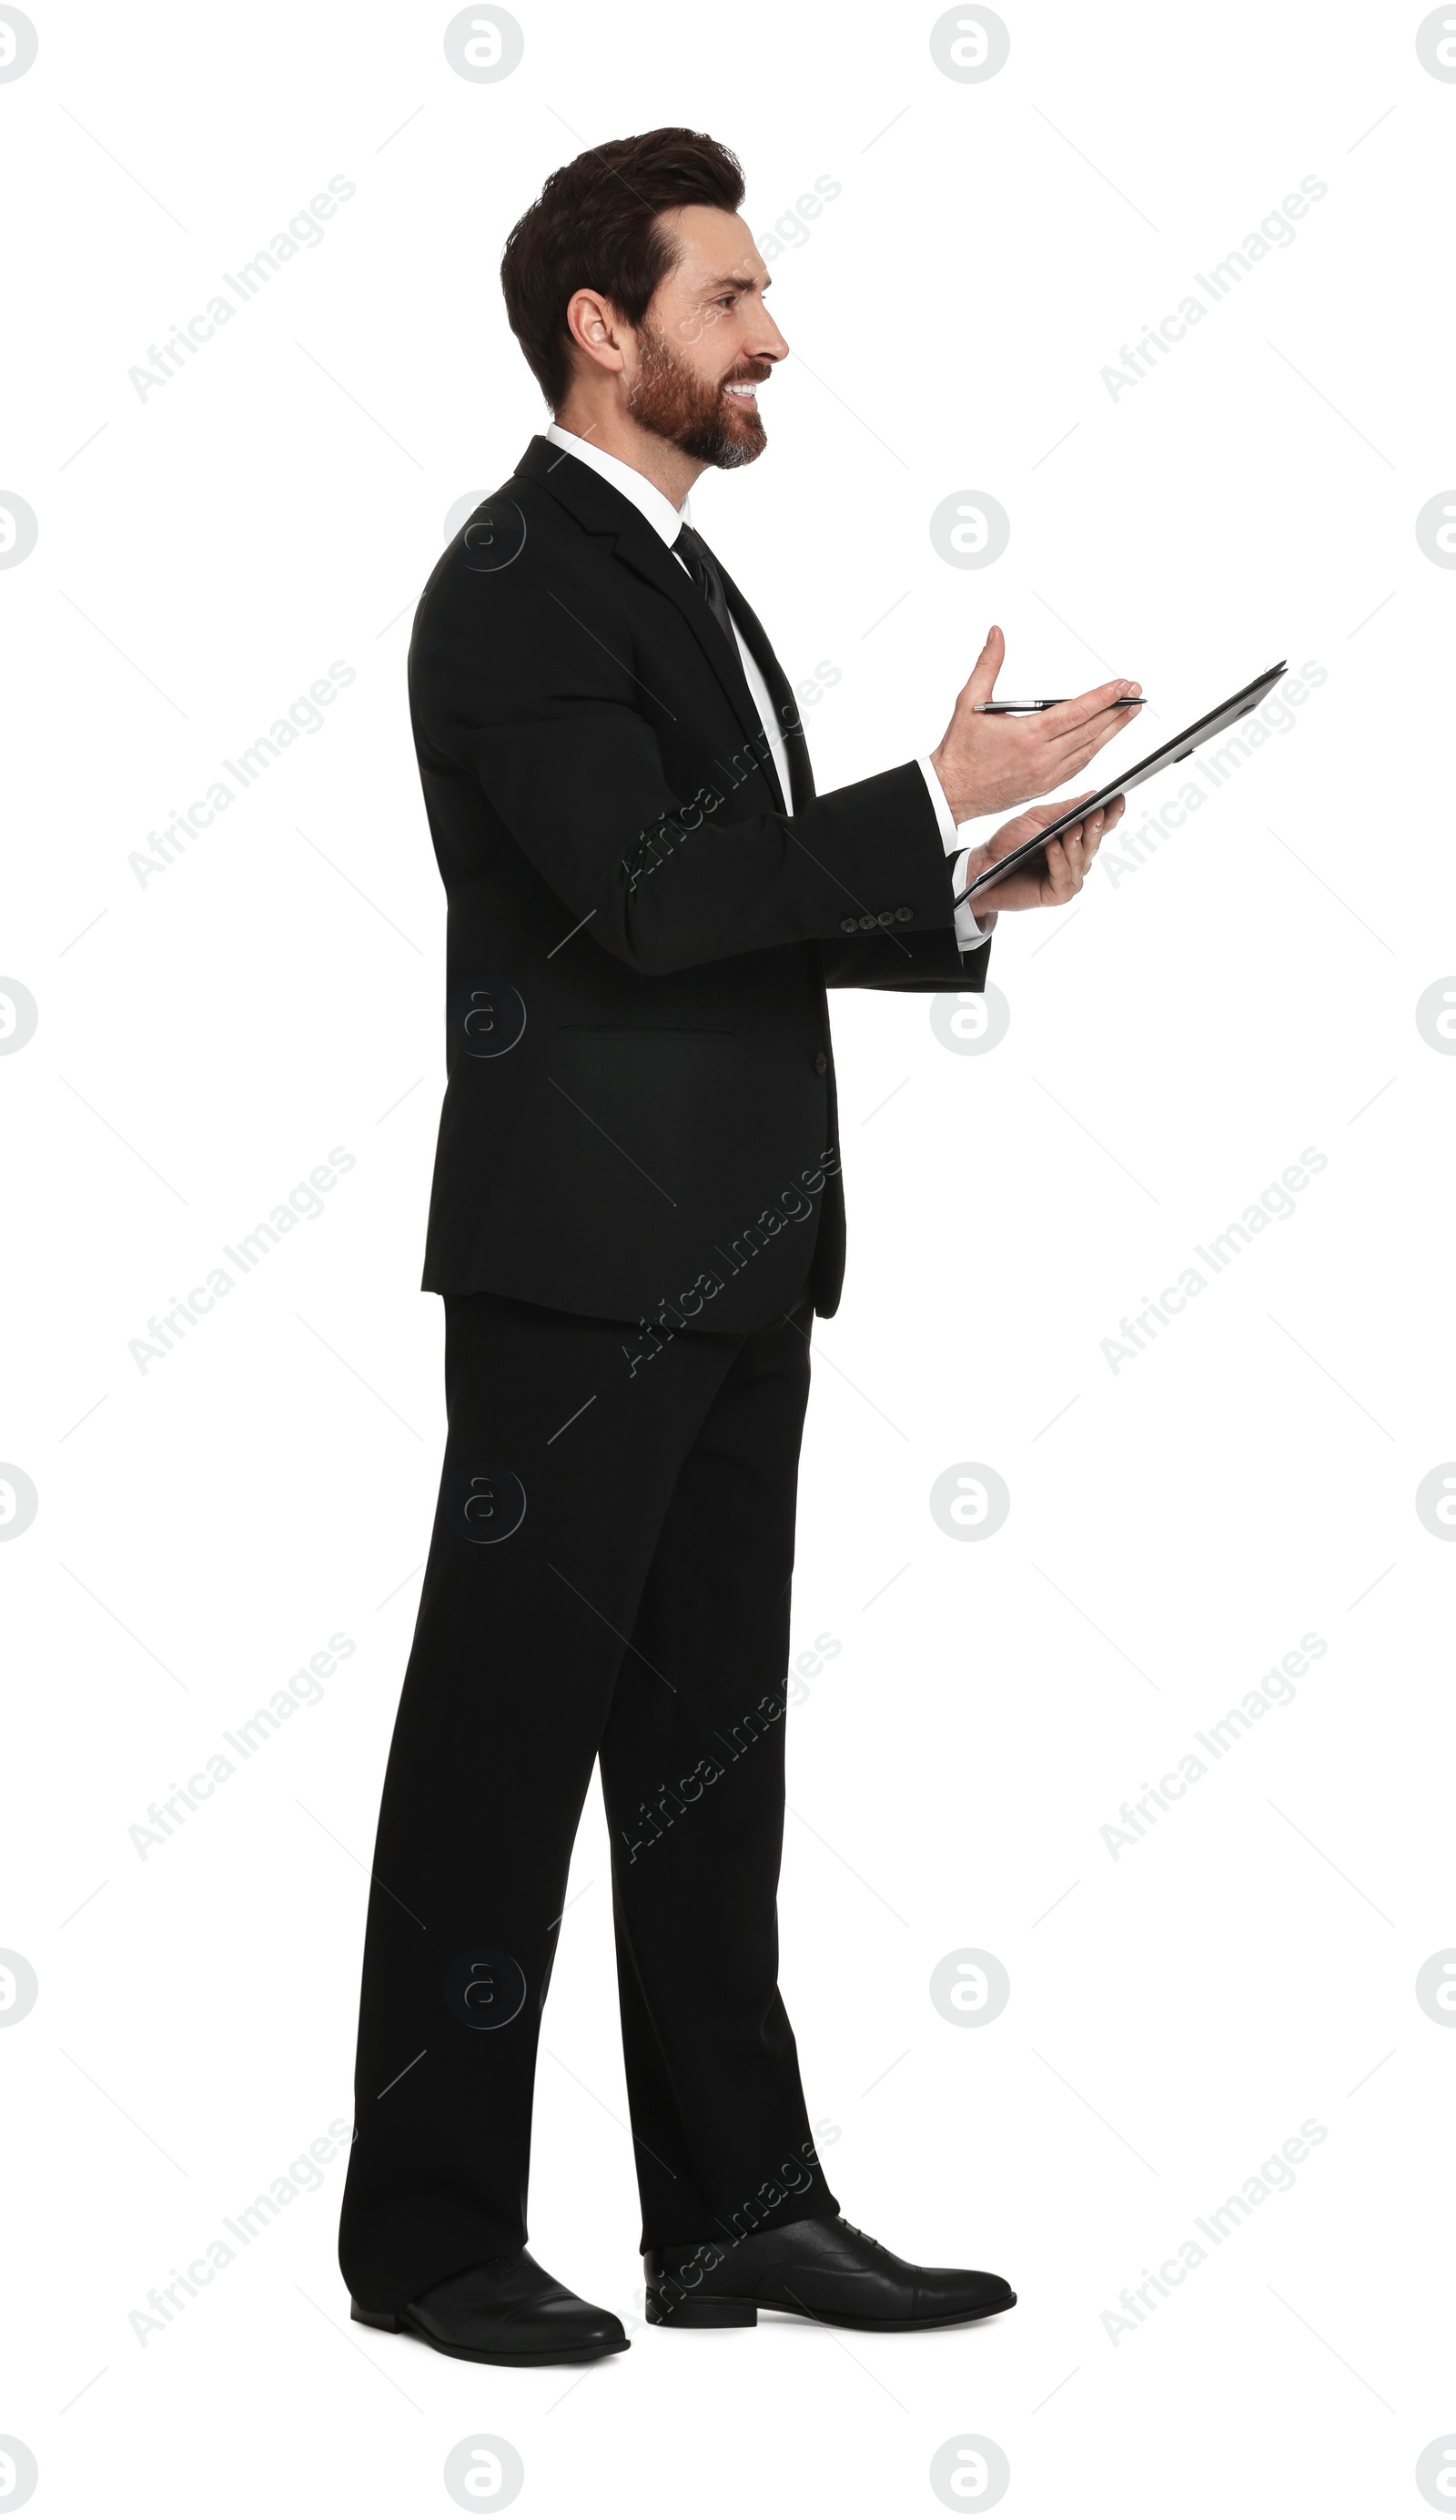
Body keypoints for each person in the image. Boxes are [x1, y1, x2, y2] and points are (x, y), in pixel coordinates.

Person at [338, 126, 1134, 2367]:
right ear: (605, 329)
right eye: (727, 299)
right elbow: (654, 900)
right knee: (500, 1753)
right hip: (577, 1276)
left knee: (708, 1754)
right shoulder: (514, 584)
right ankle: (425, 2244)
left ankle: (733, 2216)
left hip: (731, 1257)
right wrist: (933, 800)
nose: (770, 333)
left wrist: (960, 894)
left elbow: (715, 911)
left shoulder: (670, 571)